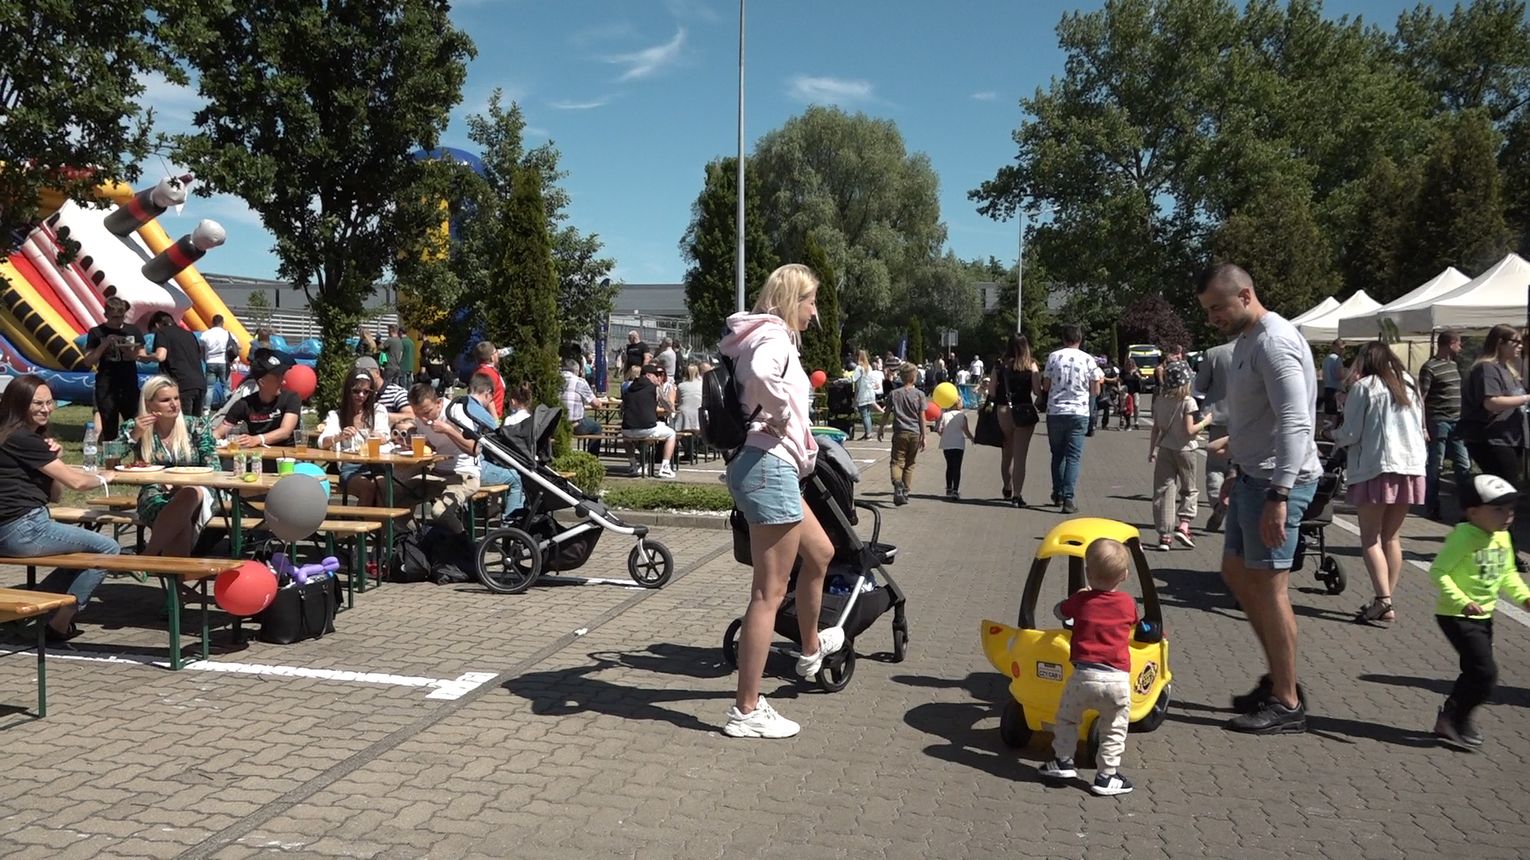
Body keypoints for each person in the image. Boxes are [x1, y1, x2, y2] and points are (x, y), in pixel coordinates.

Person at [1195, 263, 1322, 735]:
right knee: (1236, 574)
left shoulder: (1276, 342)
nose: (1213, 319)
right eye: (1208, 312)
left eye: (1218, 308)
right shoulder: (1248, 341)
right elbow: (1257, 417)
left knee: (1270, 589)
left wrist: (1280, 494)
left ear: (1246, 295)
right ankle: (1278, 678)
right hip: (1252, 478)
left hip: (1277, 482)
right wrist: (1236, 469)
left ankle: (1287, 701)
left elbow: (1294, 422)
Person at [719, 263, 834, 739]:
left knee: (822, 552)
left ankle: (810, 651)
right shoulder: (774, 339)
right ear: (792, 299)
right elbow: (766, 379)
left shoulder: (761, 336)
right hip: (769, 467)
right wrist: (784, 413)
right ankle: (746, 711)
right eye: (809, 301)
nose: (813, 311)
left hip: (768, 466)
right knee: (768, 595)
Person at [0, 375, 120, 641]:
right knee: (108, 548)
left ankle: (30, 606)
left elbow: (55, 495)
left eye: (50, 402)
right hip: (24, 529)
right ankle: (59, 623)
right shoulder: (22, 439)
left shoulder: (14, 435)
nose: (46, 409)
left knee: (81, 558)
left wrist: (55, 460)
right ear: (19, 404)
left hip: (12, 530)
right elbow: (76, 483)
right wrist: (105, 477)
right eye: (38, 403)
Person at [1428, 474, 1530, 750]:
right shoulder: (1463, 537)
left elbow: (1507, 573)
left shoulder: (1502, 537)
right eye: (1498, 509)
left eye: (1510, 509)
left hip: (1483, 615)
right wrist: (1461, 601)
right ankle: (1457, 719)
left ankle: (1447, 717)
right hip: (1457, 615)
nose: (1507, 515)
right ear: (1472, 512)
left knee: (1474, 670)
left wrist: (1524, 598)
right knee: (1485, 673)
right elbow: (1438, 572)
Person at [1330, 342, 1427, 626]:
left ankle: (1383, 600)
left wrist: (1330, 432)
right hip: (1410, 466)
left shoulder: (1365, 387)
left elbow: (1351, 432)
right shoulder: (1409, 384)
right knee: (1392, 538)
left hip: (1376, 466)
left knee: (1370, 538)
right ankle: (1384, 599)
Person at [1037, 538, 1139, 797]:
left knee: (1067, 718)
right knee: (1114, 727)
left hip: (1084, 677)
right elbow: (1135, 622)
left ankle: (1063, 761)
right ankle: (1107, 775)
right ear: (1125, 575)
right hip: (1116, 680)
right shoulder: (1127, 603)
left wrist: (1075, 599)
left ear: (1088, 574)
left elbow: (1059, 612)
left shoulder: (1081, 601)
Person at [123, 376, 218, 557]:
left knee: (188, 494)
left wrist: (182, 484)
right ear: (149, 404)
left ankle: (148, 555)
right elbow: (108, 460)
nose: (174, 404)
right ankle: (177, 582)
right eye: (166, 400)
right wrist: (134, 435)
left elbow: (214, 465)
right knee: (181, 520)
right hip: (156, 491)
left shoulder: (196, 425)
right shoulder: (134, 427)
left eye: (176, 398)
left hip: (199, 488)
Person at [1148, 361, 1210, 551]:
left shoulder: (1160, 400)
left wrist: (1152, 451)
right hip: (1186, 449)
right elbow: (1190, 430)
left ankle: (1164, 535)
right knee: (1189, 488)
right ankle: (1184, 524)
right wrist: (1207, 420)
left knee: (1163, 491)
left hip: (1165, 448)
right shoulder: (1188, 402)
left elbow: (1156, 429)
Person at [1041, 324, 1102, 515]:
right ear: (1080, 339)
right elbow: (1096, 389)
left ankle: (1057, 492)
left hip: (1056, 411)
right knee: (1073, 457)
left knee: (1057, 454)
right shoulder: (1088, 359)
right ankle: (1068, 497)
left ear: (1063, 339)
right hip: (1079, 412)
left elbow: (1046, 385)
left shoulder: (1054, 357)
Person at [1460, 324, 1527, 493]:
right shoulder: (1487, 368)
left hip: (1510, 438)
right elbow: (1491, 402)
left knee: (1502, 490)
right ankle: (1478, 516)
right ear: (1500, 343)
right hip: (1492, 439)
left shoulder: (1508, 370)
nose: (1520, 346)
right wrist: (1526, 399)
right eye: (1516, 342)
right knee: (1504, 490)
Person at [405, 383, 481, 533]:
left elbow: (475, 449)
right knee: (396, 502)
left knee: (439, 512)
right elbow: (431, 446)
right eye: (418, 414)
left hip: (464, 474)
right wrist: (408, 440)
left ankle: (465, 546)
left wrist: (448, 430)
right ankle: (417, 543)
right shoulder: (421, 417)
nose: (423, 419)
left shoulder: (454, 411)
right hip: (437, 473)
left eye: (427, 412)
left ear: (438, 403)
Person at [318, 369, 390, 505]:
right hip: (350, 466)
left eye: (366, 391)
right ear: (348, 391)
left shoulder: (378, 410)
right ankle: (363, 524)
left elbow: (385, 436)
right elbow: (323, 442)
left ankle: (381, 525)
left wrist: (376, 437)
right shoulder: (336, 415)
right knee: (368, 488)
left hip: (376, 464)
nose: (361, 395)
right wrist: (339, 436)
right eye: (356, 391)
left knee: (384, 488)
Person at [1418, 330, 1469, 521]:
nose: (1461, 348)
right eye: (1459, 344)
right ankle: (1432, 505)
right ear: (1450, 344)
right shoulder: (1429, 368)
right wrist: (1423, 425)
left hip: (1457, 421)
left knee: (1463, 464)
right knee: (1435, 465)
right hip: (1438, 420)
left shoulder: (1454, 366)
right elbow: (1421, 398)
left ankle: (1467, 508)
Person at [82, 296, 148, 441]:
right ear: (106, 315)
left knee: (136, 423)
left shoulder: (133, 331)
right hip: (106, 384)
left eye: (122, 317)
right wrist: (104, 344)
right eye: (114, 318)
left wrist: (128, 351)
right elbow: (88, 361)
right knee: (109, 426)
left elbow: (142, 356)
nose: (119, 321)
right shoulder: (96, 332)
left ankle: (140, 459)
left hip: (129, 383)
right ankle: (112, 460)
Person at [461, 375, 526, 518]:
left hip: (454, 466)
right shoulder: (477, 410)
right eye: (491, 397)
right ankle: (511, 522)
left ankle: (491, 509)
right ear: (487, 393)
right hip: (473, 467)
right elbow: (499, 432)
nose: (491, 401)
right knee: (517, 478)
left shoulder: (460, 405)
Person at [988, 335, 1040, 506]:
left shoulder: (999, 366)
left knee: (1006, 454)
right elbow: (1037, 391)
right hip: (1024, 411)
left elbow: (992, 393)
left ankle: (1007, 486)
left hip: (1003, 410)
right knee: (1020, 458)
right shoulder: (1031, 365)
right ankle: (1017, 495)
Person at [214, 349, 300, 447]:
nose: (283, 382)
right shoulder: (244, 404)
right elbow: (218, 433)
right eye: (277, 378)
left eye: (282, 376)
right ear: (262, 382)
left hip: (287, 458)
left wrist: (258, 439)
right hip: (257, 458)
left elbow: (285, 431)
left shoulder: (291, 398)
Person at [1192, 340, 1236, 531]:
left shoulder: (1213, 353)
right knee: (1242, 466)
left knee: (1215, 466)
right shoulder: (1257, 350)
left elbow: (1200, 385)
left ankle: (1219, 502)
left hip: (1218, 415)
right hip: (1250, 418)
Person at [877, 363, 927, 507]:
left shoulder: (894, 393)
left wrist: (881, 429)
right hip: (915, 433)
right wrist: (924, 435)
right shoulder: (920, 395)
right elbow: (921, 417)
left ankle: (897, 483)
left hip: (900, 432)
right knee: (910, 463)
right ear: (913, 377)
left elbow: (886, 413)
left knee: (897, 461)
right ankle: (905, 491)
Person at [147, 311, 207, 419]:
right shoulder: (189, 334)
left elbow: (160, 356)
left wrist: (142, 357)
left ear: (157, 325)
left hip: (181, 384)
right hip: (199, 382)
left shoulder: (162, 333)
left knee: (180, 423)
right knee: (194, 424)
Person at [621, 364, 677, 478]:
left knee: (626, 437)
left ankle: (633, 465)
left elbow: (622, 408)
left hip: (627, 429)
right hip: (647, 428)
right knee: (671, 433)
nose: (658, 378)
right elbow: (670, 408)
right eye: (656, 375)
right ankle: (665, 467)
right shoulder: (655, 388)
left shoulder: (628, 388)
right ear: (648, 375)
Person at [938, 399, 974, 500]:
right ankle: (955, 490)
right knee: (957, 467)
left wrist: (945, 434)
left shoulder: (945, 415)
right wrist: (972, 438)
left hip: (947, 443)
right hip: (958, 444)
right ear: (958, 404)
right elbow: (966, 431)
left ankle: (948, 489)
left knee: (949, 466)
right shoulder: (962, 416)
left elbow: (939, 430)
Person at [560, 358, 604, 437]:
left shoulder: (555, 380)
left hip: (556, 424)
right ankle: (591, 450)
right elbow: (596, 405)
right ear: (576, 371)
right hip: (574, 425)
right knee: (597, 427)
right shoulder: (580, 382)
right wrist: (600, 402)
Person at [202, 314, 233, 406]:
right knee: (226, 388)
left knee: (209, 387)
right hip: (224, 362)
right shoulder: (227, 334)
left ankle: (206, 410)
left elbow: (201, 348)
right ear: (222, 322)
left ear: (212, 322)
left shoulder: (206, 334)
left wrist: (205, 359)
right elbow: (238, 346)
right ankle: (227, 408)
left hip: (210, 361)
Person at [850, 350, 881, 441]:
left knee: (864, 414)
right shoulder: (869, 367)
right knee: (868, 414)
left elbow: (853, 379)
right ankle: (868, 432)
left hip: (862, 394)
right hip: (870, 392)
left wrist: (844, 378)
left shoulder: (859, 368)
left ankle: (868, 434)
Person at [473, 341, 506, 419]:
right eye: (495, 352)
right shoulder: (488, 373)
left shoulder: (483, 370)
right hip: (490, 419)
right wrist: (496, 423)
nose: (498, 353)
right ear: (492, 357)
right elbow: (488, 399)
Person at [673, 363, 703, 433]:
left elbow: (678, 400)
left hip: (683, 418)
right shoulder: (702, 384)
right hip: (699, 417)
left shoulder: (681, 386)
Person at [1119, 357, 1142, 431]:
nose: (1130, 365)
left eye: (1131, 364)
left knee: (1136, 405)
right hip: (1126, 391)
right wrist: (1119, 388)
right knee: (1124, 406)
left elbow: (1141, 379)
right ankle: (1122, 419)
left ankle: (1136, 422)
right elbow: (1119, 380)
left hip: (1135, 390)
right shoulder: (1124, 371)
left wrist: (1138, 376)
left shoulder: (1137, 371)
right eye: (1128, 364)